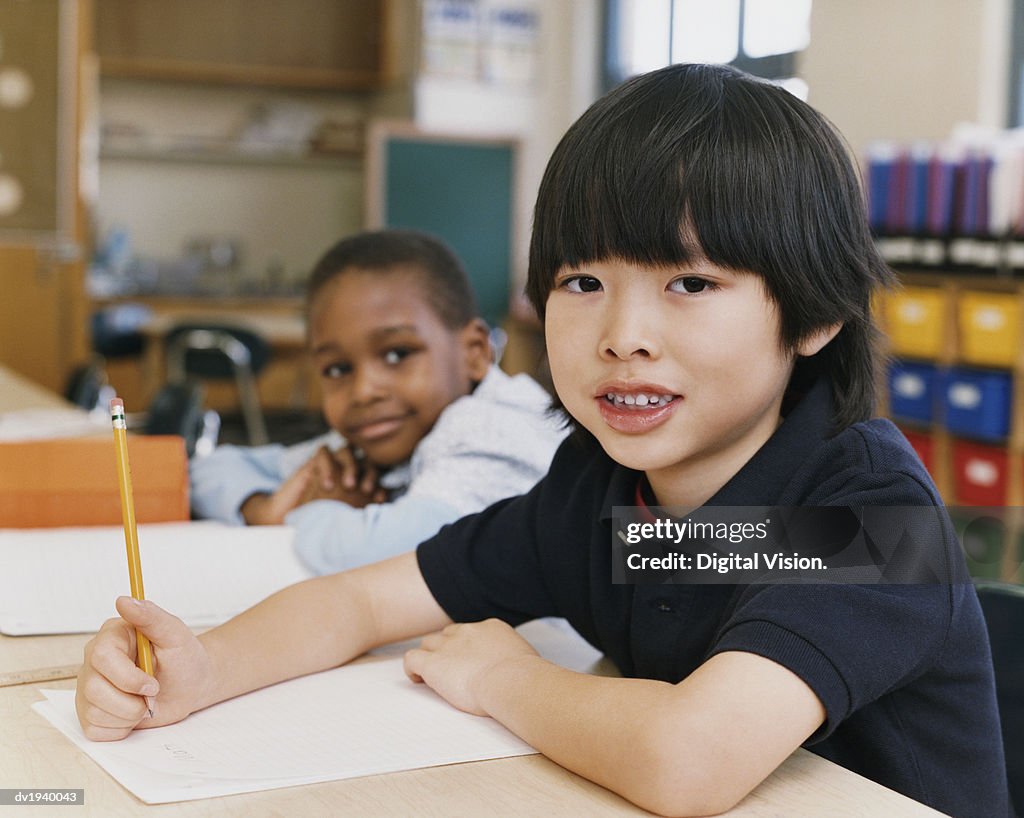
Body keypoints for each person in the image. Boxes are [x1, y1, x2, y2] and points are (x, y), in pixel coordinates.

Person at [76, 65, 1008, 818]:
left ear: (816, 317)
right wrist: (206, 667)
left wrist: (506, 679)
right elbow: (359, 603)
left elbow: (690, 759)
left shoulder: (869, 519)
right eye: (580, 280)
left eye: (689, 282)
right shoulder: (602, 492)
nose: (622, 334)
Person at [188, 229, 567, 574]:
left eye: (397, 354)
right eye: (338, 369)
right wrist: (263, 508)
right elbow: (211, 471)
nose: (364, 390)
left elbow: (391, 556)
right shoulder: (371, 443)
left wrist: (313, 510)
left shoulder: (492, 429)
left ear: (475, 352)